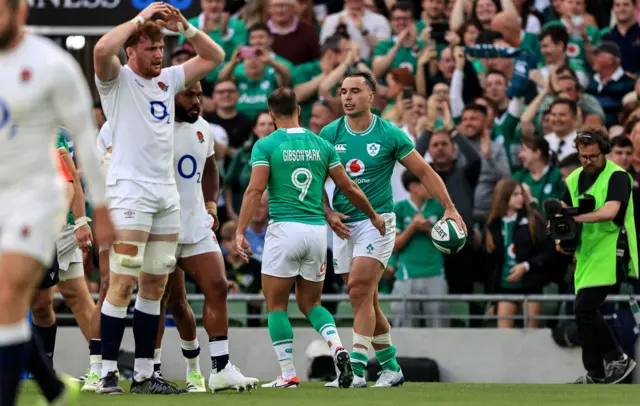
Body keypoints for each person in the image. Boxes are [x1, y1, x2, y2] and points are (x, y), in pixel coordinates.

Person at [93, 2, 224, 394]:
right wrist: (139, 19)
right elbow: (102, 50)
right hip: (130, 191)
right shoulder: (116, 80)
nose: (157, 55)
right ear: (131, 51)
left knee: (154, 285)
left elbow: (215, 56)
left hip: (166, 194)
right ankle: (106, 374)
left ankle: (145, 374)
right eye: (150, 48)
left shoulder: (169, 79)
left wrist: (183, 27)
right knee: (122, 283)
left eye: (160, 49)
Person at [0, 0, 115, 404]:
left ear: (21, 13)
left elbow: (85, 139)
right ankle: (50, 385)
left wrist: (96, 211)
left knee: (11, 293)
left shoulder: (52, 65)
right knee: (10, 303)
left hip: (37, 201)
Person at [320, 71, 465, 388]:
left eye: (355, 90)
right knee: (365, 301)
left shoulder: (390, 134)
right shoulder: (330, 132)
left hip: (378, 222)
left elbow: (425, 172)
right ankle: (391, 368)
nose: (347, 96)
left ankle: (356, 372)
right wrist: (328, 212)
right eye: (343, 91)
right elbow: (316, 177)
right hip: (343, 224)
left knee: (358, 288)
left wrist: (450, 208)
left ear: (371, 96)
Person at [234, 87, 385, 388]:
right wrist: (372, 214)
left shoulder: (266, 145)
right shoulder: (321, 144)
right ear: (299, 110)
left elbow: (254, 191)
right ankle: (338, 348)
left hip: (284, 229)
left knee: (276, 306)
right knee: (311, 303)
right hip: (317, 232)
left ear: (272, 114)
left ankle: (288, 374)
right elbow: (349, 187)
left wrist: (239, 230)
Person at [149, 81, 258, 393]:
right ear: (171, 95)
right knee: (157, 299)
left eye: (199, 94)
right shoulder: (150, 128)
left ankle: (220, 369)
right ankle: (151, 371)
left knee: (217, 286)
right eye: (190, 95)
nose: (197, 100)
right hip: (159, 226)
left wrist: (210, 203)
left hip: (196, 224)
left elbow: (211, 169)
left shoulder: (204, 129)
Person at [562, 125, 638, 384]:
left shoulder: (618, 176)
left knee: (584, 308)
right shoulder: (573, 179)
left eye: (593, 156)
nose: (588, 161)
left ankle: (618, 358)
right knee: (582, 313)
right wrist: (560, 232)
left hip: (613, 250)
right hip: (586, 255)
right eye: (583, 156)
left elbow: (610, 212)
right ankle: (595, 372)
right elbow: (562, 211)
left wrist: (576, 217)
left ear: (604, 152)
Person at [484, 178, 555, 329]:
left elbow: (548, 250)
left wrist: (526, 266)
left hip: (530, 285)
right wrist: (493, 301)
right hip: (504, 287)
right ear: (504, 196)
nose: (520, 197)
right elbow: (491, 266)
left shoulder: (532, 219)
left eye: (521, 194)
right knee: (504, 335)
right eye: (515, 194)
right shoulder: (493, 224)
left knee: (531, 333)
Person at [391, 170, 448, 328]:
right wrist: (412, 227)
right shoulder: (399, 208)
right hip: (406, 275)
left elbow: (448, 244)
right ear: (414, 187)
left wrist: (428, 229)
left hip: (435, 273)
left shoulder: (439, 207)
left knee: (439, 328)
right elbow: (393, 246)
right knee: (404, 328)